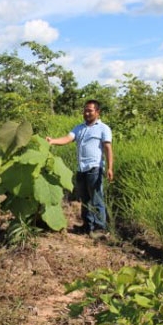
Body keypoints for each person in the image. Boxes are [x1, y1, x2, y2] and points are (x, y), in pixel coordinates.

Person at [46, 99, 113, 238]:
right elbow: (67, 138)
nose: (87, 113)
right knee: (85, 199)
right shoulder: (79, 128)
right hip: (81, 168)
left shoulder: (103, 128)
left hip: (94, 167)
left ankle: (100, 228)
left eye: (90, 110)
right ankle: (87, 226)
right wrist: (52, 141)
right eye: (85, 110)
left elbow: (108, 149)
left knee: (96, 198)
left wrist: (110, 168)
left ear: (97, 112)